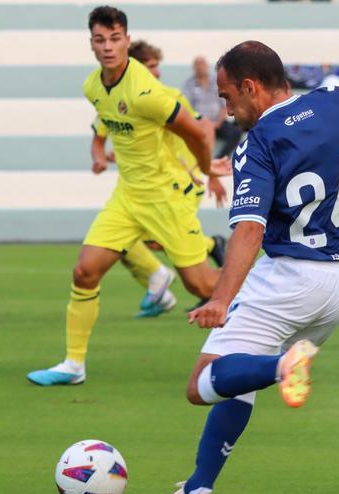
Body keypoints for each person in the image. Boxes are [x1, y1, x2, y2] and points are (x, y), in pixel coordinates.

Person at [174, 41, 339, 494]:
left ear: (250, 87)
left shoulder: (256, 144)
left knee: (201, 383)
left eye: (227, 98)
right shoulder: (338, 102)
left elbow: (248, 232)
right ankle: (199, 486)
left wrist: (219, 298)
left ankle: (284, 367)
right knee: (240, 369)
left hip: (292, 278)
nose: (228, 110)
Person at [27, 6, 230, 386]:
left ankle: (264, 309)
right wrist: (98, 157)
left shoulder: (147, 93)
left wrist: (206, 169)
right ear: (91, 44)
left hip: (166, 198)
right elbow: (103, 127)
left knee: (202, 286)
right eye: (100, 40)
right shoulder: (93, 86)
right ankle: (73, 365)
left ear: (126, 40)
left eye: (115, 39)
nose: (108, 47)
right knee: (85, 271)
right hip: (127, 198)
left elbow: (201, 133)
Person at [91, 39, 228, 318]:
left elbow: (205, 129)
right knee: (141, 244)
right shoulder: (117, 98)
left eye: (157, 66)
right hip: (145, 192)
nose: (157, 73)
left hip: (179, 187)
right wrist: (102, 158)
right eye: (151, 67)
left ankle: (222, 282)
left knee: (187, 271)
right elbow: (105, 135)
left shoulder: (167, 97)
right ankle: (209, 250)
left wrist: (207, 169)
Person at [183, 56, 244, 160]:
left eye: (202, 64)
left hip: (218, 123)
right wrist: (202, 123)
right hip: (199, 123)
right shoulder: (189, 84)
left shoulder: (217, 82)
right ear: (194, 67)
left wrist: (217, 123)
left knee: (236, 132)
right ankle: (200, 162)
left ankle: (218, 160)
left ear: (207, 66)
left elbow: (224, 105)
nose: (200, 67)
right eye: (197, 64)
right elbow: (187, 107)